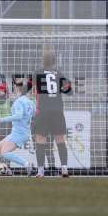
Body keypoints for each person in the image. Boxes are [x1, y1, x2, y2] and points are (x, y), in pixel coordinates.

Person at [32, 46, 72, 178]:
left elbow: (25, 89)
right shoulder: (59, 73)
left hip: (43, 111)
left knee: (40, 140)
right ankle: (64, 169)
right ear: (54, 61)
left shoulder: (37, 72)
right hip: (57, 111)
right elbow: (70, 91)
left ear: (43, 61)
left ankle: (40, 171)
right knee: (60, 140)